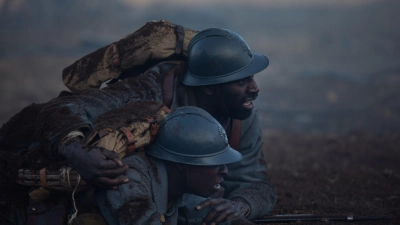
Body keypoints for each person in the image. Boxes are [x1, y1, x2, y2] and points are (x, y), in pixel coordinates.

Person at [1, 27, 276, 224]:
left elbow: (256, 183)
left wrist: (240, 206)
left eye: (251, 78)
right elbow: (63, 109)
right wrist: (77, 152)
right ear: (209, 89)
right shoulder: (148, 91)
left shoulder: (241, 117)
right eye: (241, 81)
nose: (255, 89)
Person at [90, 106, 243, 225]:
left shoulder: (181, 187)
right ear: (181, 163)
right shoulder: (130, 179)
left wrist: (233, 214)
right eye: (215, 163)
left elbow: (208, 213)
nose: (224, 171)